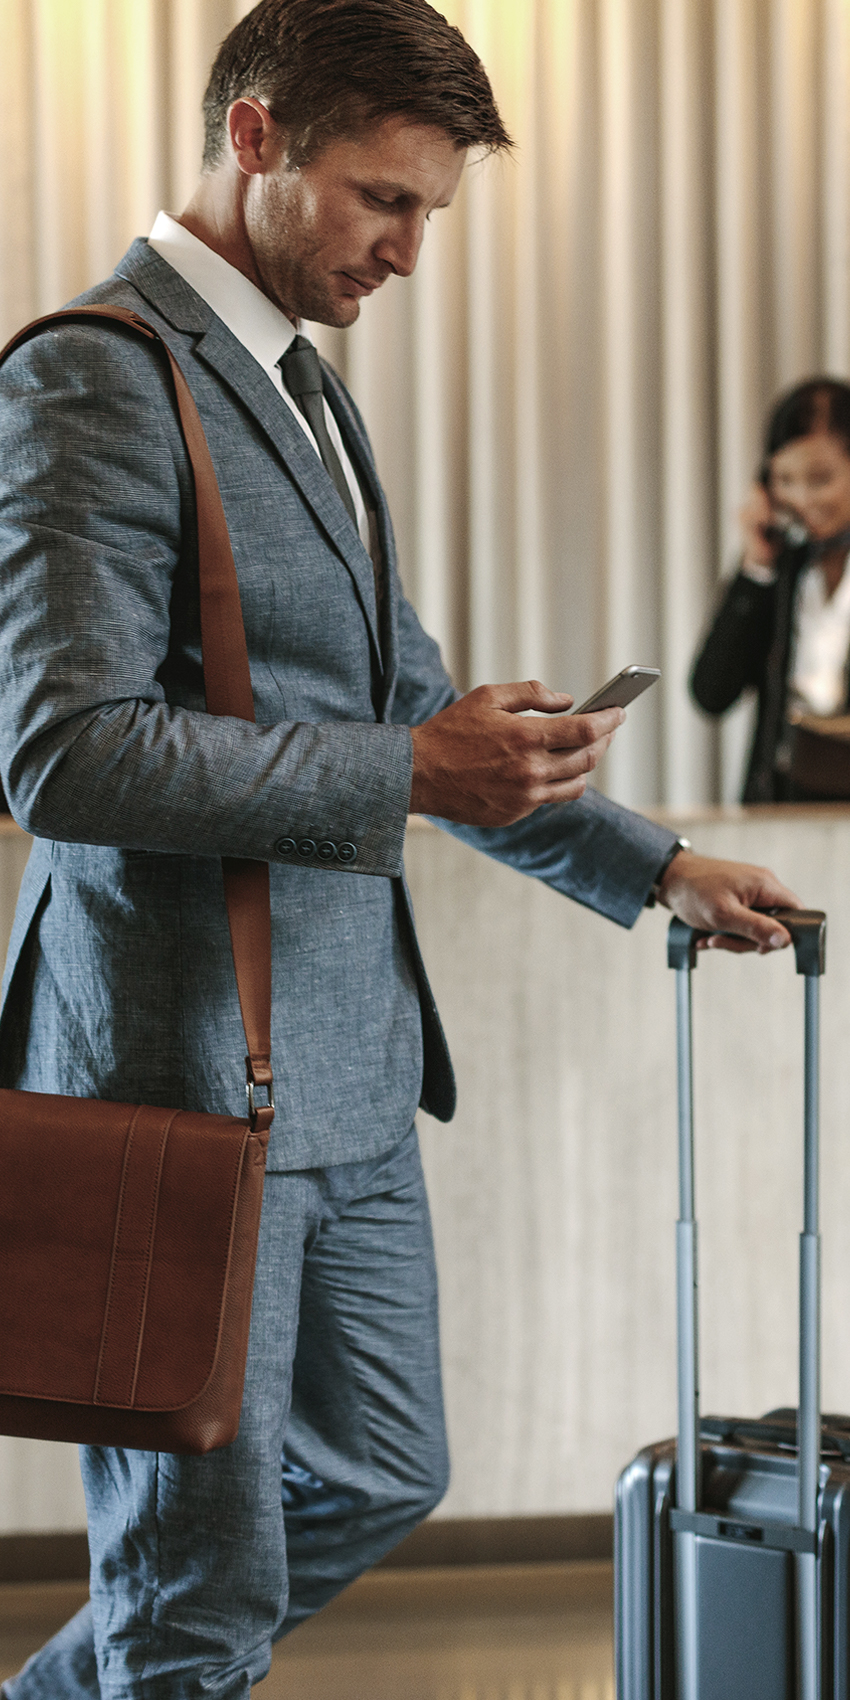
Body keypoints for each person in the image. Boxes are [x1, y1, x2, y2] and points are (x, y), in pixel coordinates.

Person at [0, 3, 799, 1696]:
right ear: (255, 136)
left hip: (349, 1069)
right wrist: (406, 767)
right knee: (198, 1589)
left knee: (384, 1472)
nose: (409, 254)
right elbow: (62, 753)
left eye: (429, 212)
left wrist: (650, 864)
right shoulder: (93, 369)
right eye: (384, 201)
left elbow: (408, 712)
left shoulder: (305, 393)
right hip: (187, 1074)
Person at [691, 377, 850, 800]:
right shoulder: (779, 566)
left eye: (819, 479)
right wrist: (756, 567)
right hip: (780, 808)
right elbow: (711, 693)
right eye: (784, 478)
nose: (801, 498)